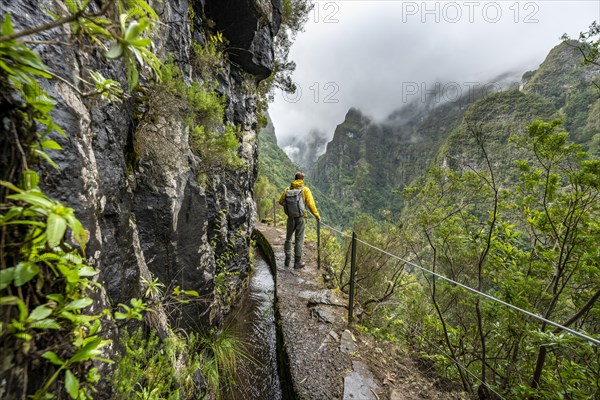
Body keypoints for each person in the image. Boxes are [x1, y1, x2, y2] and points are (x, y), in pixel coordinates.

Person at [278, 172, 320, 269]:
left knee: (288, 238)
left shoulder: (288, 189)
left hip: (291, 218)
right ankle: (297, 262)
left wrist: (288, 207)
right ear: (302, 180)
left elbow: (280, 201)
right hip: (301, 218)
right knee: (299, 239)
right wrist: (317, 215)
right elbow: (311, 205)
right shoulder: (305, 190)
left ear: (295, 178)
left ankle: (287, 259)